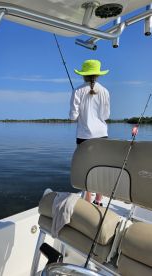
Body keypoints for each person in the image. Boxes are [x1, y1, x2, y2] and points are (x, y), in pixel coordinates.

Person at [69, 59, 110, 206]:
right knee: (100, 166)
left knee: (86, 167)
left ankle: (87, 199)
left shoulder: (78, 91)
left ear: (83, 75)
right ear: (98, 75)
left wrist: (80, 115)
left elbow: (73, 117)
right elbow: (106, 116)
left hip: (84, 136)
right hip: (102, 135)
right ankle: (99, 200)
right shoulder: (105, 91)